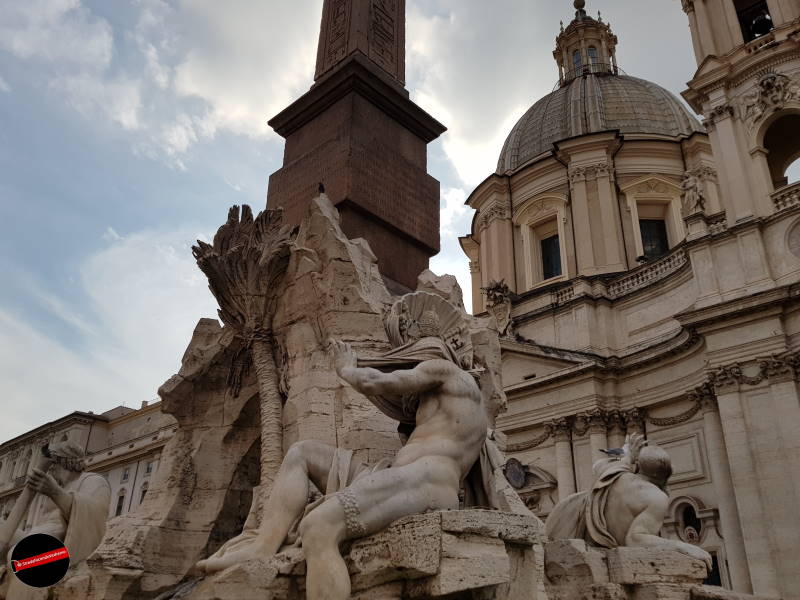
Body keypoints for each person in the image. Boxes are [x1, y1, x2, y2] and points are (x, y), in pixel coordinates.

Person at [196, 316, 494, 600]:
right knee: (302, 452)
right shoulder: (447, 403)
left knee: (318, 527)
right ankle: (263, 544)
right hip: (399, 476)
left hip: (427, 481)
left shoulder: (447, 371)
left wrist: (347, 369)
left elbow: (380, 382)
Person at [546, 433, 712, 570]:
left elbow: (599, 465)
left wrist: (628, 456)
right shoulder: (656, 497)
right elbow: (635, 539)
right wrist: (684, 547)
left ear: (638, 465)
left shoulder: (615, 474)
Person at [0, 441, 111, 600]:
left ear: (65, 462)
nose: (50, 471)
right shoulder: (59, 485)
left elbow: (95, 516)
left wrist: (56, 493)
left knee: (22, 556)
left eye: (53, 466)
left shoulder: (93, 481)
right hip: (37, 538)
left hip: (63, 549)